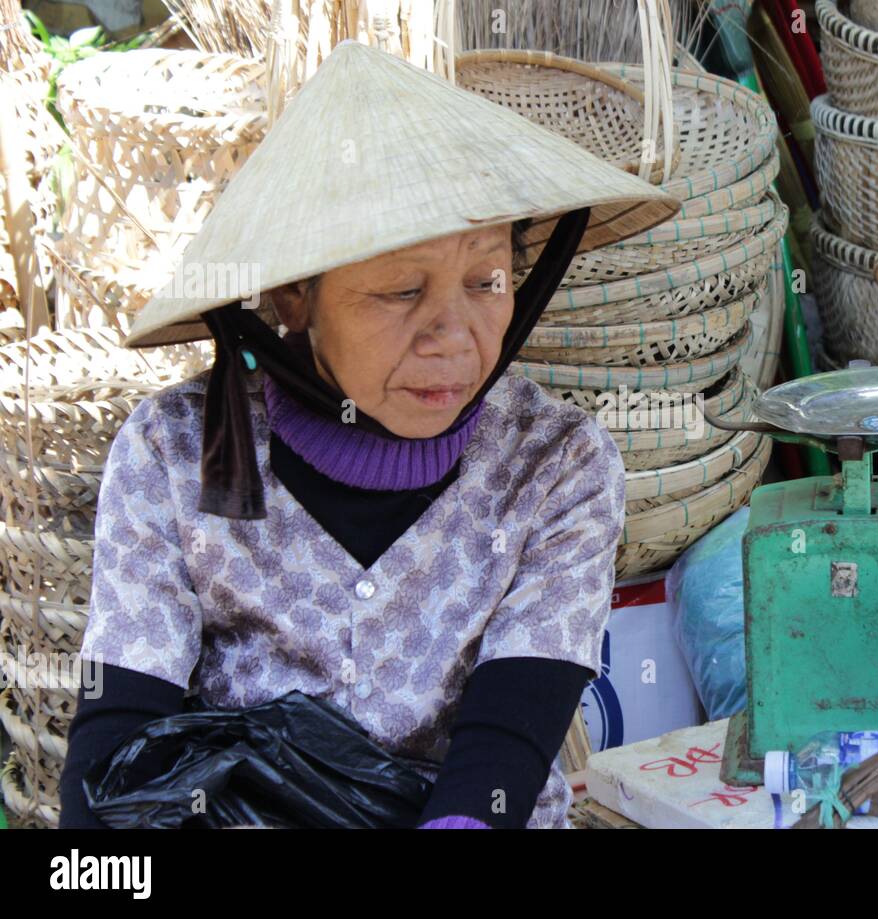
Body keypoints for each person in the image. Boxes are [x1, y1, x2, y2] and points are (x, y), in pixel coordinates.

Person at [59, 40, 678, 829]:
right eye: (401, 290)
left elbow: (503, 750)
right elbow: (114, 747)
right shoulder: (172, 455)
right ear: (294, 298)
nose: (453, 336)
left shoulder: (556, 465)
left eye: (487, 281)